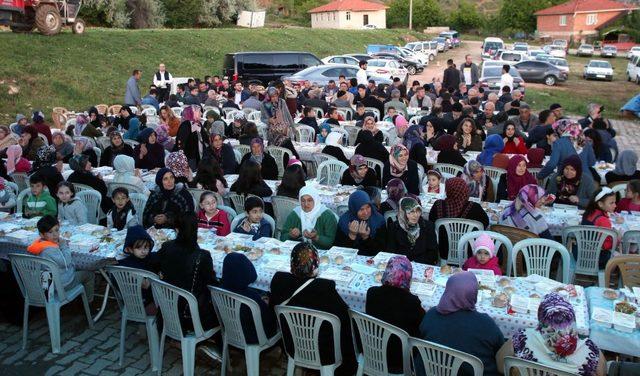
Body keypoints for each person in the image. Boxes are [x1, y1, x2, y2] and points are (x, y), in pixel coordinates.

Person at [269, 243, 357, 376]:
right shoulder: (325, 288)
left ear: (292, 264)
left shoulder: (278, 280)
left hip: (292, 344)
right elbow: (345, 317)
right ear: (315, 266)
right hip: (324, 350)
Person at [498, 293, 606, 376]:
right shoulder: (590, 350)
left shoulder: (522, 338)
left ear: (541, 318)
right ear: (573, 320)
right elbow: (603, 373)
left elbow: (500, 366)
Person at [419, 272, 504, 376]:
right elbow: (500, 351)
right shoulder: (485, 324)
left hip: (431, 372)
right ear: (474, 294)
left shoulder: (431, 314)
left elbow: (422, 335)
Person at [154, 212, 218, 331]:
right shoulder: (202, 256)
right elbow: (211, 283)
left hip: (167, 310)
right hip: (191, 317)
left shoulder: (167, 247)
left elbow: (154, 264)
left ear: (176, 229)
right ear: (196, 229)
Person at [366, 256, 425, 373]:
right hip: (401, 359)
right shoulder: (411, 302)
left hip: (374, 351)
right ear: (407, 276)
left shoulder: (372, 293)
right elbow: (422, 326)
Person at [27, 216, 94, 301]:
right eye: (50, 232)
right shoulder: (50, 249)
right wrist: (63, 245)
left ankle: (80, 298)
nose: (55, 235)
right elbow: (66, 262)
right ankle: (89, 303)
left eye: (57, 230)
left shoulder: (38, 245)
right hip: (61, 284)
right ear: (41, 234)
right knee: (89, 274)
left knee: (75, 268)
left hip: (45, 283)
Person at [221, 253, 277, 344]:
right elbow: (268, 319)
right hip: (255, 336)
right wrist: (267, 304)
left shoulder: (219, 291)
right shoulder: (252, 298)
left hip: (230, 331)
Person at [429, 178, 489, 261]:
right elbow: (485, 225)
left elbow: (431, 225)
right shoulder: (475, 208)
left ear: (448, 190)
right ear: (465, 190)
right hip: (469, 253)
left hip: (443, 251)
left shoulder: (438, 205)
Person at [280, 184, 338, 249]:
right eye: (303, 200)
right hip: (298, 251)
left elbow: (331, 242)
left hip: (321, 253)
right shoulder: (295, 214)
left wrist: (316, 237)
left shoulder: (327, 216)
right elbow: (282, 238)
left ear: (315, 200)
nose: (306, 204)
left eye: (310, 200)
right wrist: (291, 235)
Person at [335, 190, 387, 256]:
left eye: (368, 207)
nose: (365, 212)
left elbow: (380, 252)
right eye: (361, 209)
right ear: (354, 209)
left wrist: (366, 238)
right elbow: (338, 251)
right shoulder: (345, 221)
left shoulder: (378, 220)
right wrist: (351, 235)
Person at [387, 197, 438, 264]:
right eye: (410, 212)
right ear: (403, 213)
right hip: (401, 265)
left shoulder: (428, 226)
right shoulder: (394, 227)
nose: (415, 215)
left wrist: (415, 262)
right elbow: (390, 252)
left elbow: (433, 253)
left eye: (418, 211)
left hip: (421, 265)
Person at [117, 225, 155, 314]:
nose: (143, 251)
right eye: (139, 248)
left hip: (137, 298)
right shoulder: (129, 264)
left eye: (146, 247)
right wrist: (155, 275)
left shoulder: (147, 257)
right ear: (129, 249)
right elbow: (145, 285)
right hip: (139, 300)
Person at [581, 187, 617, 268]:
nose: (615, 205)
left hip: (580, 253)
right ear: (600, 204)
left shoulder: (588, 213)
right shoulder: (603, 220)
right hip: (597, 258)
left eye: (615, 202)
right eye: (611, 203)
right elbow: (606, 245)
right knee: (621, 257)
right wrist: (617, 238)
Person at [174, 105, 209, 170]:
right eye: (199, 112)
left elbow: (205, 138)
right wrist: (183, 159)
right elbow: (181, 143)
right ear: (193, 113)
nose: (201, 113)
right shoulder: (185, 125)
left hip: (197, 155)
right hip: (188, 157)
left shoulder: (198, 123)